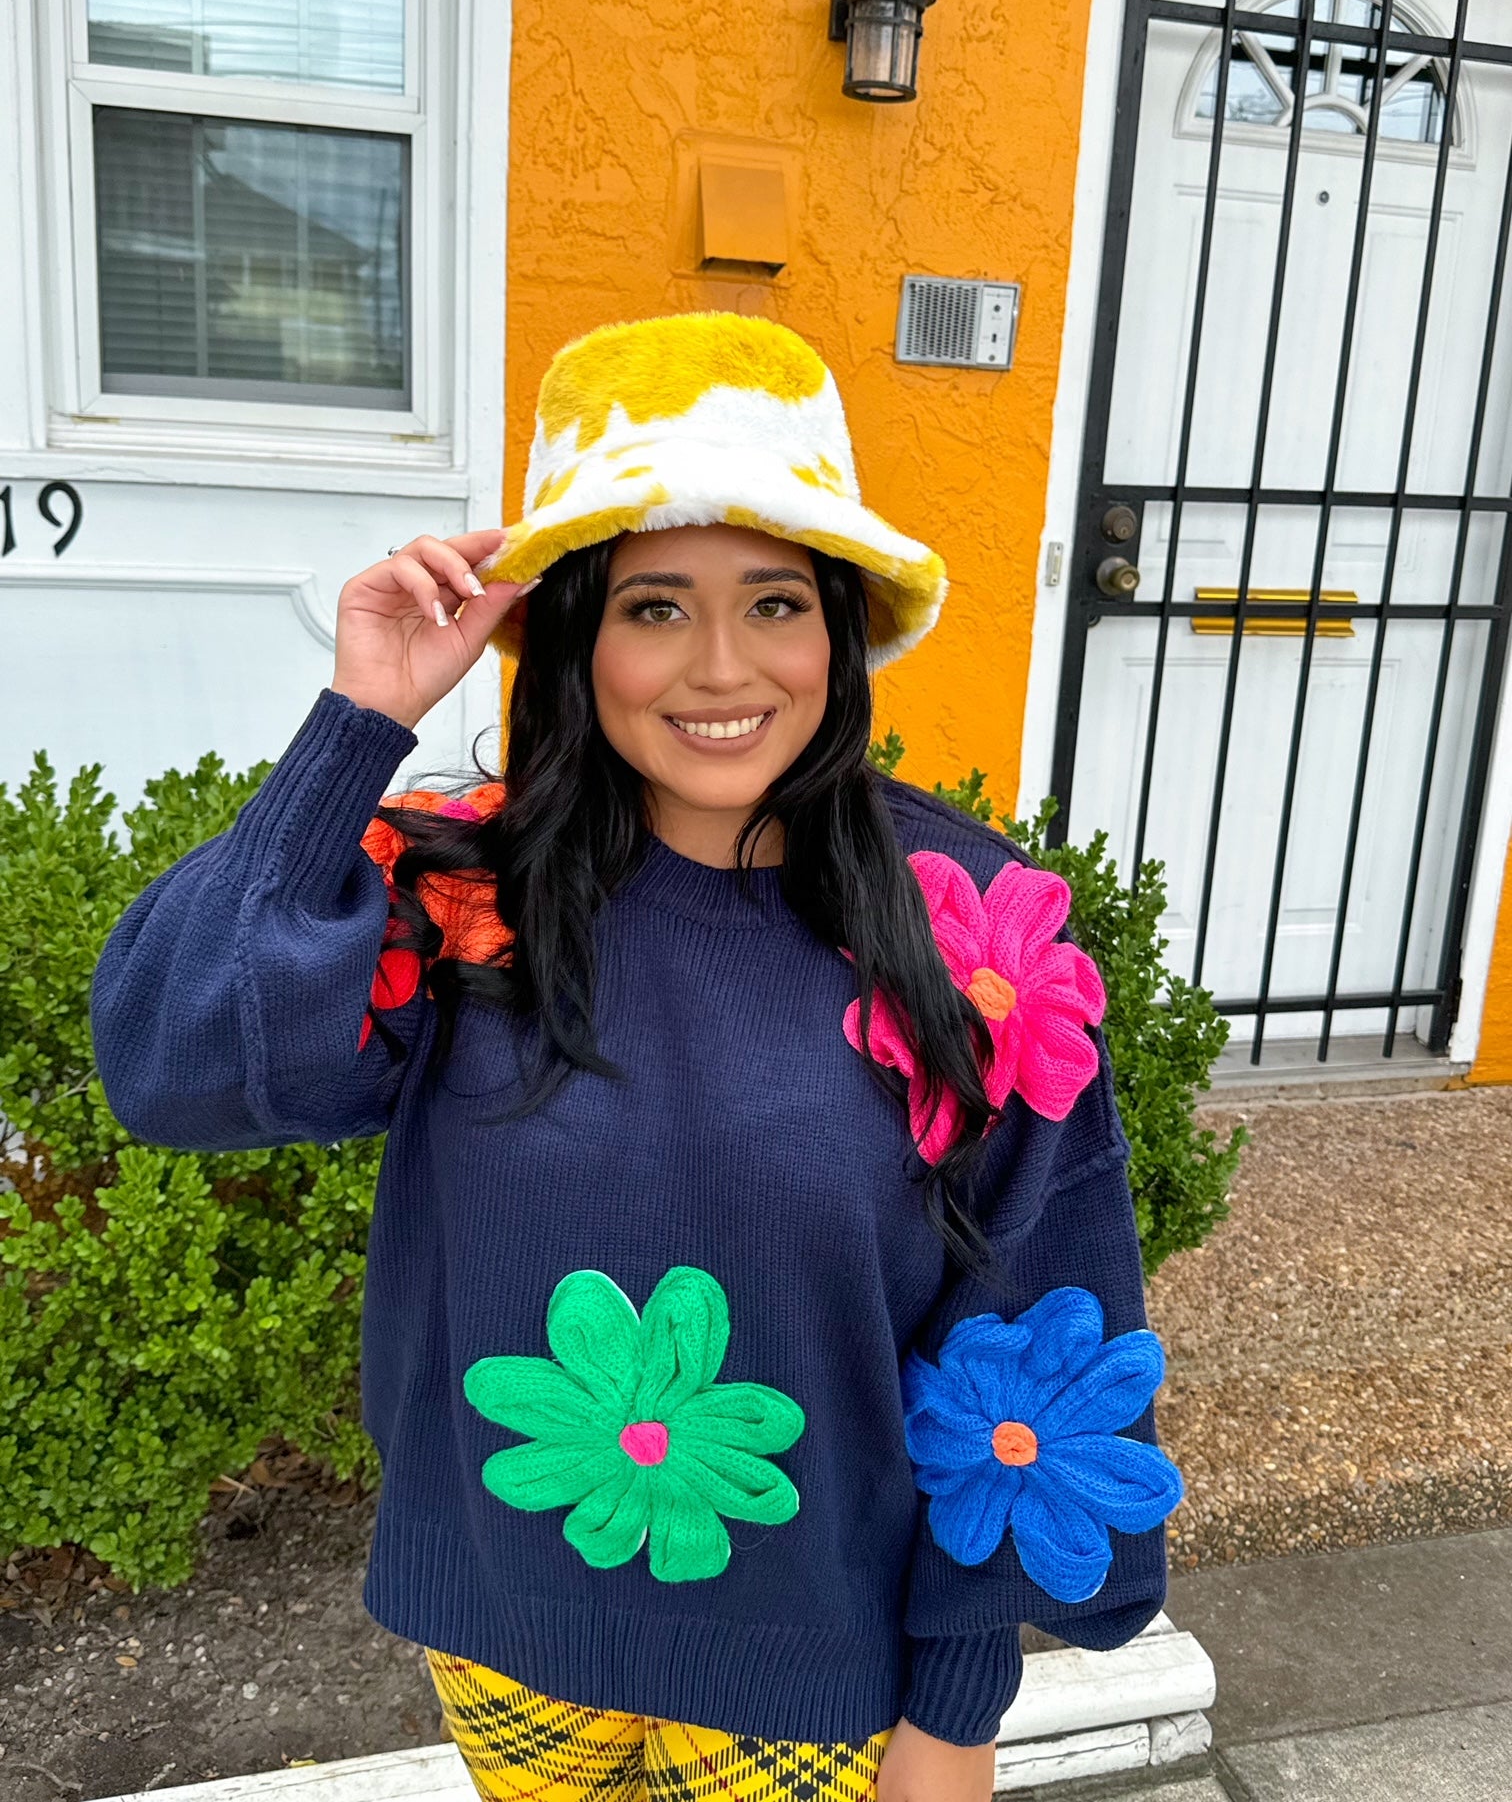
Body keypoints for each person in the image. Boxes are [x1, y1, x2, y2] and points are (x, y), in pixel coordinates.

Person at [90, 312, 1182, 1802]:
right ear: (576, 634)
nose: (721, 665)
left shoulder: (980, 934)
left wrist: (958, 1706)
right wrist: (360, 722)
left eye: (776, 602)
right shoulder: (462, 901)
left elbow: (1032, 1334)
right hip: (509, 1633)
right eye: (655, 606)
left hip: (816, 1670)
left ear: (842, 628)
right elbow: (171, 1061)